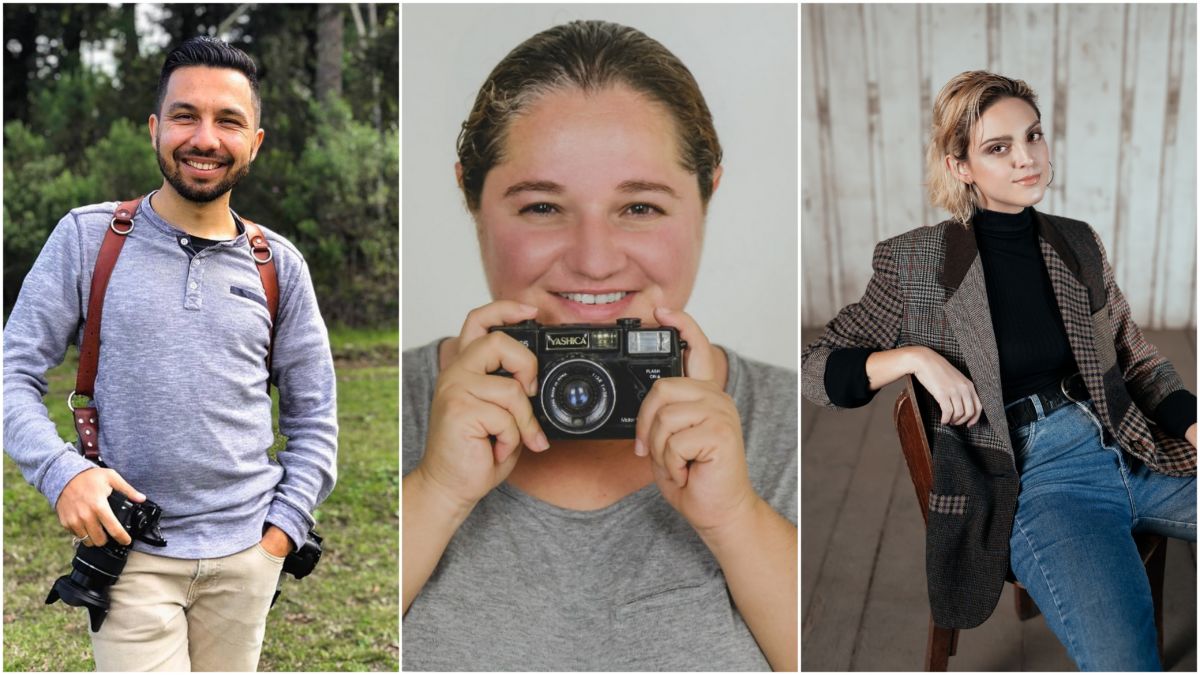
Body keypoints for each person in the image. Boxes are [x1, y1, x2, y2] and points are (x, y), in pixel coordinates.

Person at [402, 20, 797, 671]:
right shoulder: (382, 407)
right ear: (472, 202)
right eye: (541, 207)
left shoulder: (789, 425)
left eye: (639, 207)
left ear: (707, 196)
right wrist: (438, 491)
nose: (593, 261)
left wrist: (734, 519)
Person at [802, 70, 1196, 671]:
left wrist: (1192, 425)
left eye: (1032, 136)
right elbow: (815, 368)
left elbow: (1138, 361)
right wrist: (913, 357)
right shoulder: (916, 263)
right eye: (998, 147)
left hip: (1133, 442)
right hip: (1041, 481)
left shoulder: (1077, 242)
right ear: (960, 165)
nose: (1026, 158)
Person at [3, 36, 337, 671]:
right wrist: (63, 472)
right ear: (156, 128)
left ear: (255, 142)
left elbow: (315, 416)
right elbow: (11, 372)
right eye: (186, 115)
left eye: (228, 120)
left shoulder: (280, 266)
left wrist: (279, 536)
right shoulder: (87, 238)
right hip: (129, 553)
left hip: (248, 558)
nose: (204, 138)